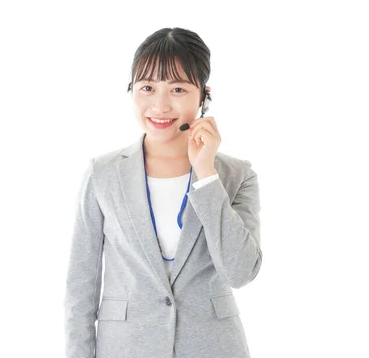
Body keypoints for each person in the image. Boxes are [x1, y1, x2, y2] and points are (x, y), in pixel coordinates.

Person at [64, 27, 262, 358]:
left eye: (178, 89)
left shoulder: (236, 175)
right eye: (147, 88)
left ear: (203, 95)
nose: (160, 105)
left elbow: (240, 272)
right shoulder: (103, 173)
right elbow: (80, 286)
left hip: (213, 347)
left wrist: (206, 174)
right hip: (126, 348)